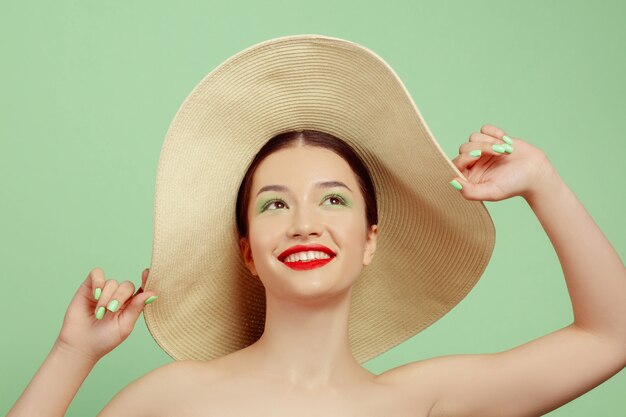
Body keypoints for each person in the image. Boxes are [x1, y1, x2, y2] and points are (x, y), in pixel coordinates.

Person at [8, 35, 625, 417]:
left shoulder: (421, 402)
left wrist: (544, 182)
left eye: (333, 201)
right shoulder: (171, 401)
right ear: (247, 251)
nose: (305, 224)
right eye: (274, 204)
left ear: (371, 240)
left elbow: (612, 337)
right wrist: (72, 355)